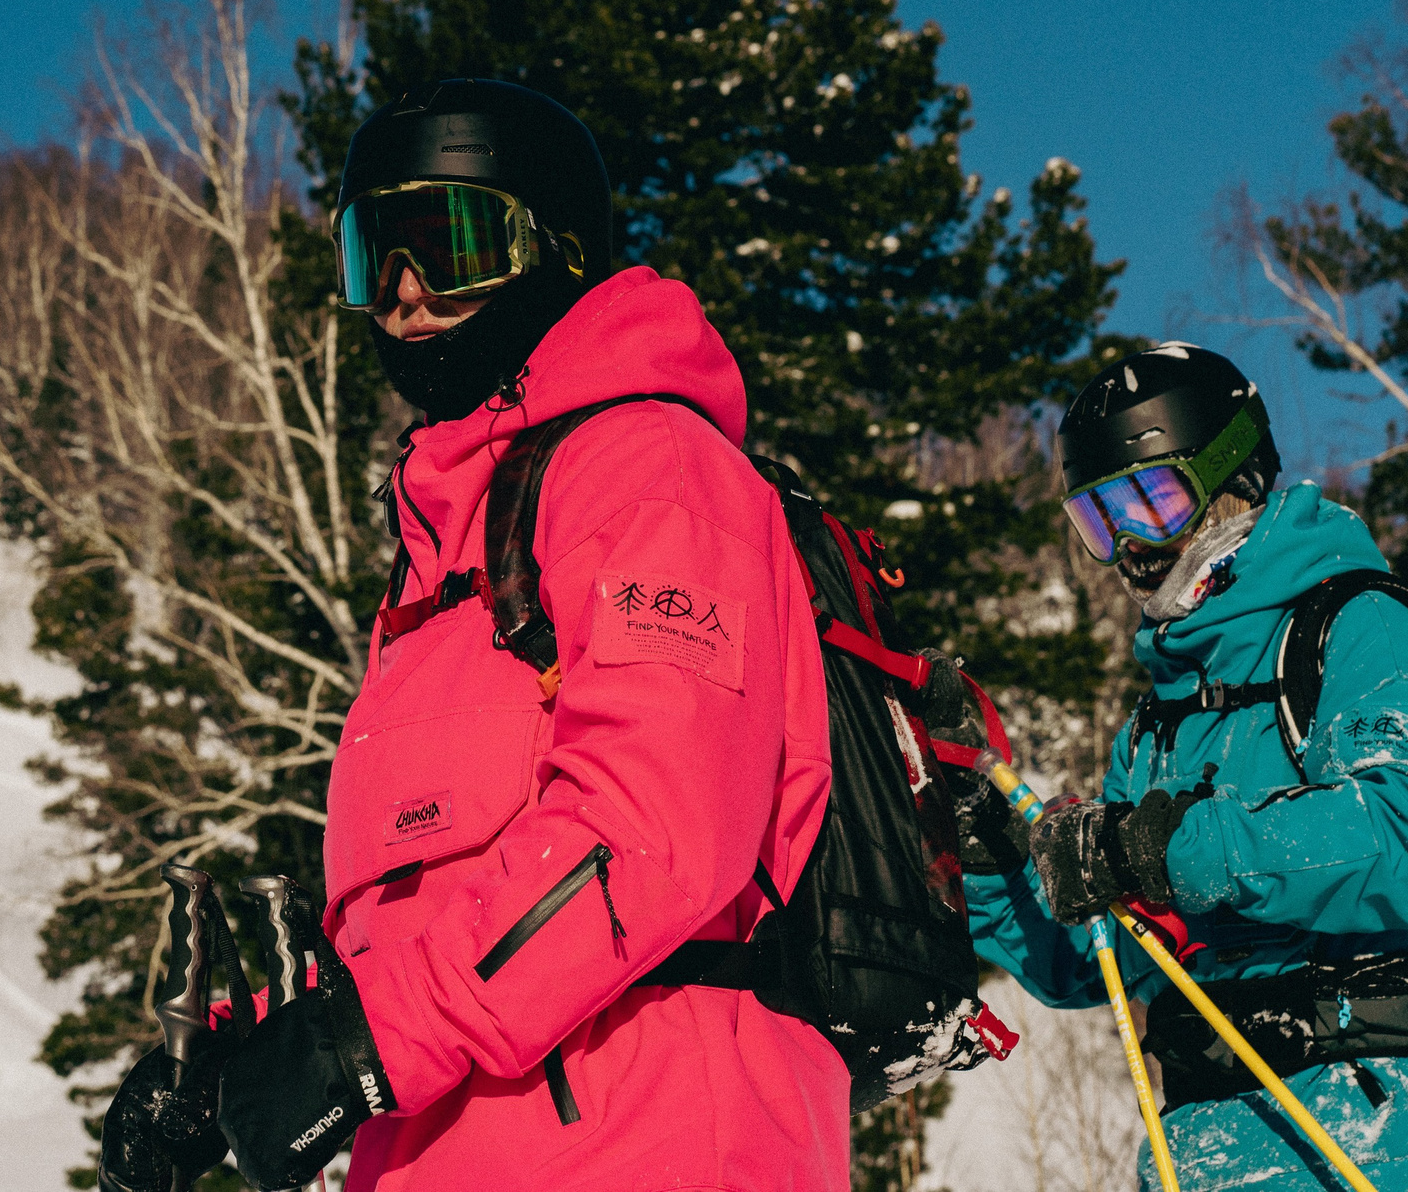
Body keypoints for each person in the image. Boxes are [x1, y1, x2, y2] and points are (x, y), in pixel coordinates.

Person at [99, 79, 847, 1192]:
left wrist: (358, 1048)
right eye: (372, 254)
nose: (403, 295)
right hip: (453, 1150)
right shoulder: (445, 556)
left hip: (647, 1137)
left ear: (559, 253)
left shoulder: (649, 469)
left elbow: (649, 829)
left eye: (448, 244)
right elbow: (433, 928)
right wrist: (246, 1054)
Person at [959, 344, 1408, 1191]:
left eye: (1150, 500)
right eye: (1097, 519)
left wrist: (1171, 849)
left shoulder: (1361, 632)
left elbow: (1403, 837)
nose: (1127, 546)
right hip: (1209, 1142)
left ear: (1232, 475)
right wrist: (994, 864)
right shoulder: (1159, 721)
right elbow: (1109, 962)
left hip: (1395, 1124)